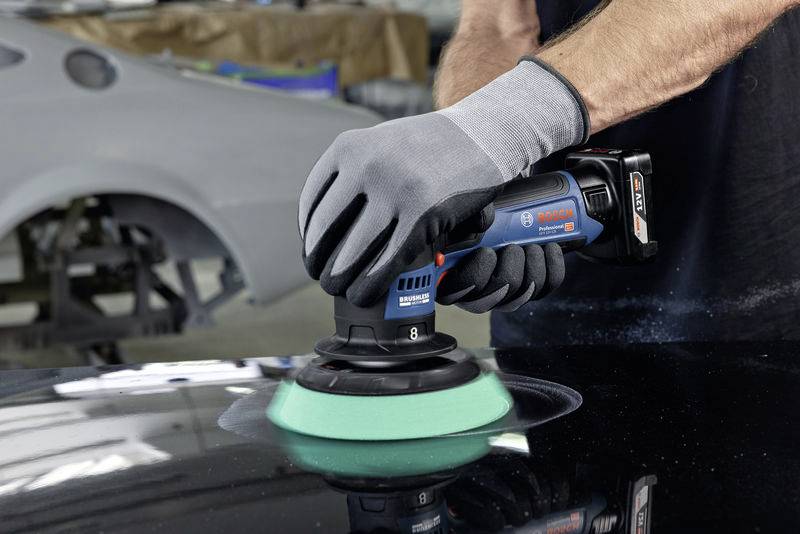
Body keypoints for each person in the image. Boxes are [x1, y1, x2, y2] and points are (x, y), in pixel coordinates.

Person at [298, 0, 800, 347]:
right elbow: (495, 25)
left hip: (751, 278)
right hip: (552, 285)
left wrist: (495, 128)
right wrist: (478, 182)